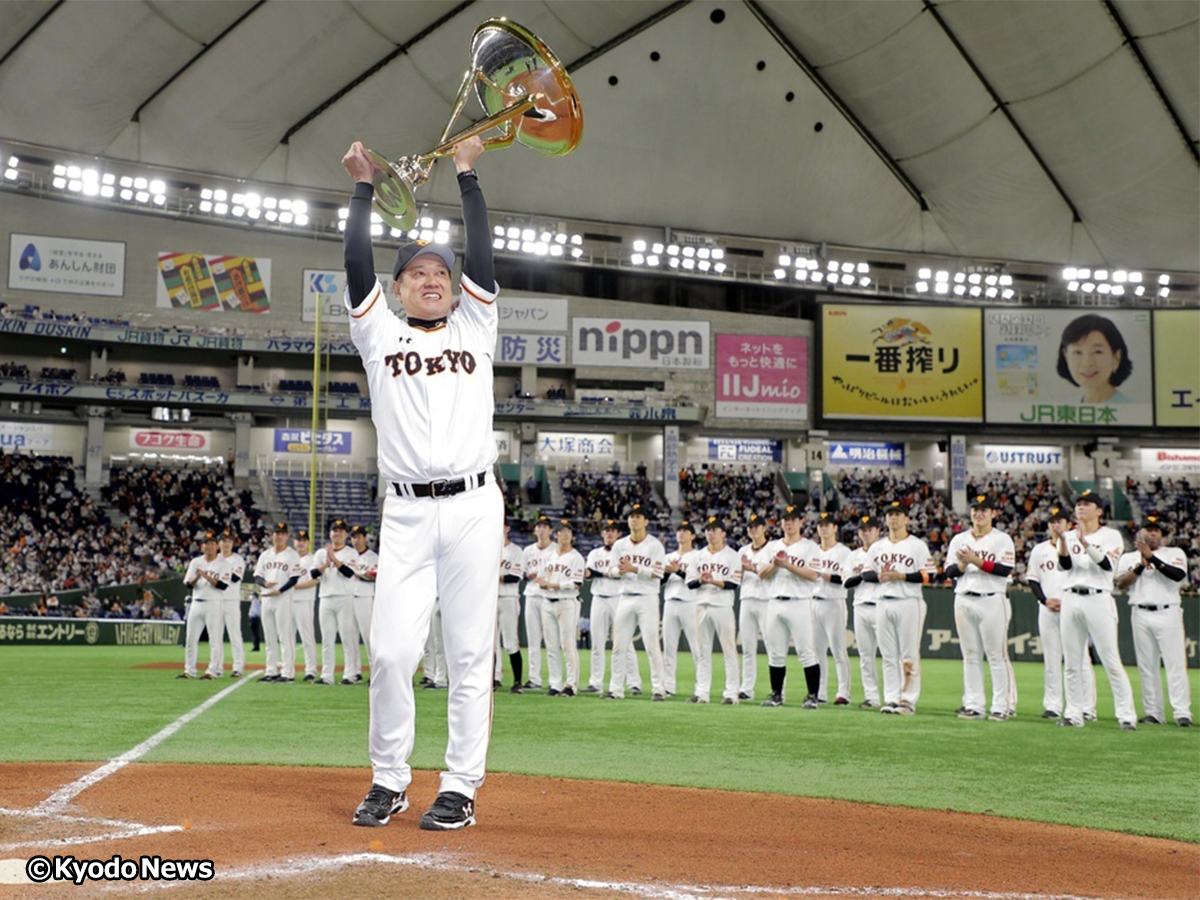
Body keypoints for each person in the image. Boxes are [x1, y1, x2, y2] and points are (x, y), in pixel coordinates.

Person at [342, 135, 502, 831]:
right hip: (405, 514)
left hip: (473, 506)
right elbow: (354, 267)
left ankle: (461, 786)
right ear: (398, 287)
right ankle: (389, 778)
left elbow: (485, 256)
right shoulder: (379, 335)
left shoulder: (477, 324)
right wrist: (359, 190)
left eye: (441, 271)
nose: (432, 278)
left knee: (468, 653)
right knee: (391, 652)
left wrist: (467, 176)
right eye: (418, 272)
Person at [1054, 490, 1137, 730]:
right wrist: (1062, 541)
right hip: (1070, 596)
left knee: (1111, 659)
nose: (1081, 507)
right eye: (1079, 504)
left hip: (1098, 597)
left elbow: (1106, 565)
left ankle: (1126, 716)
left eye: (1087, 504)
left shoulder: (1111, 536)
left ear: (1099, 511)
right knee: (1071, 661)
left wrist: (1085, 543)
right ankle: (1073, 713)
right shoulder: (1068, 535)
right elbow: (1065, 565)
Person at [944, 495, 1017, 721]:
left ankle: (1000, 706)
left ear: (993, 513)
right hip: (964, 597)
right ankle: (974, 704)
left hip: (992, 598)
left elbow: (1005, 570)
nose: (979, 513)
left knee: (996, 655)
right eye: (976, 509)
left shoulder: (1002, 539)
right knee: (970, 655)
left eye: (984, 510)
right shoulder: (959, 539)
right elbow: (949, 572)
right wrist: (963, 564)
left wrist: (975, 561)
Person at [1115, 515, 1192, 727]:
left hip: (1168, 611)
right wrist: (1140, 565)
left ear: (1162, 534)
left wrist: (1153, 559)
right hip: (1140, 611)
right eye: (1148, 529)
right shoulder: (1129, 557)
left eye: (1156, 530)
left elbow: (1177, 575)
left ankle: (1181, 712)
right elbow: (1121, 583)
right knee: (1146, 666)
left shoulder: (1174, 553)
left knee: (1175, 664)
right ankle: (1153, 712)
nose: (1152, 533)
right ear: (1139, 533)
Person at [1027, 507, 1096, 720]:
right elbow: (1033, 579)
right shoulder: (1039, 549)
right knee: (1052, 657)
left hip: (1073, 606)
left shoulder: (1078, 545)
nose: (1055, 525)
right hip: (1047, 609)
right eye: (1052, 521)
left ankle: (1087, 708)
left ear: (1069, 524)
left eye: (1060, 521)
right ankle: (1053, 705)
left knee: (1081, 658)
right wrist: (1044, 599)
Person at [865, 502, 933, 715]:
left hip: (909, 601)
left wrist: (901, 576)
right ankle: (892, 698)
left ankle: (908, 700)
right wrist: (880, 576)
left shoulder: (917, 545)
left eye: (897, 514)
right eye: (890, 514)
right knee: (887, 655)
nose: (893, 518)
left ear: (906, 519)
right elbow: (866, 573)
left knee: (908, 654)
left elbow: (928, 575)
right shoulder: (877, 547)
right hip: (883, 601)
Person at [758, 506, 821, 708]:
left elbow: (813, 575)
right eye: (786, 519)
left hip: (800, 602)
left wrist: (787, 566)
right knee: (775, 652)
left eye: (793, 519)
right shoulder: (772, 546)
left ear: (801, 523)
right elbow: (761, 573)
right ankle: (776, 695)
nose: (789, 523)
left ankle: (812, 696)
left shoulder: (810, 547)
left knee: (806, 651)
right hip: (775, 602)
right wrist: (776, 565)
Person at [607, 504, 667, 701]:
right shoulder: (619, 544)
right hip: (625, 597)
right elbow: (611, 571)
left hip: (647, 598)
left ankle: (659, 688)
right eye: (631, 516)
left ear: (646, 521)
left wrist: (634, 569)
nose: (634, 519)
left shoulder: (654, 545)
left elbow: (658, 573)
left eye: (638, 516)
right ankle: (615, 689)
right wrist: (620, 571)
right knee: (619, 646)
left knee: (651, 645)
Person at [689, 516, 742, 705]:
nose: (711, 533)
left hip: (723, 607)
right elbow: (690, 583)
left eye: (715, 529)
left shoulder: (732, 555)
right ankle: (702, 692)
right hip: (701, 605)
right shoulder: (698, 555)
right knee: (702, 652)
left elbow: (732, 584)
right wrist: (701, 581)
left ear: (723, 533)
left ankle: (731, 693)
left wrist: (712, 581)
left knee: (729, 650)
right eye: (708, 529)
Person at [585, 519, 641, 695]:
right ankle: (595, 682)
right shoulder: (594, 553)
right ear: (602, 534)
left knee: (625, 642)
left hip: (618, 598)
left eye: (613, 531)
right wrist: (606, 573)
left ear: (618, 534)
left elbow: (620, 574)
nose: (609, 533)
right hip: (598, 598)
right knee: (597, 642)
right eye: (606, 530)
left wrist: (600, 573)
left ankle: (634, 683)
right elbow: (588, 574)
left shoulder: (624, 552)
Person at [538, 520, 585, 697]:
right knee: (551, 646)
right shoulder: (548, 556)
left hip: (567, 602)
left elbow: (576, 583)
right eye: (561, 531)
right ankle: (555, 684)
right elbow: (542, 577)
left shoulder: (576, 557)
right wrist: (543, 584)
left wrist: (553, 584)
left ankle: (570, 685)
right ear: (555, 535)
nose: (565, 534)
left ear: (572, 536)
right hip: (547, 601)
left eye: (568, 532)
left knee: (568, 644)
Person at [812, 512, 853, 706]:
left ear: (835, 528)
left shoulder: (844, 552)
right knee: (817, 651)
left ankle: (843, 692)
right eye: (821, 524)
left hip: (834, 602)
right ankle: (820, 692)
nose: (823, 528)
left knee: (838, 650)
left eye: (828, 524)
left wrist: (827, 576)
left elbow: (847, 579)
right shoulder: (812, 550)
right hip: (813, 602)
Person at [313, 519, 360, 686]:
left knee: (347, 637)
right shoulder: (320, 553)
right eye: (335, 530)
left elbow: (349, 573)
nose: (337, 533)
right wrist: (326, 563)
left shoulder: (351, 553)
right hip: (325, 597)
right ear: (330, 533)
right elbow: (313, 574)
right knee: (327, 639)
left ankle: (350, 675)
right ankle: (327, 676)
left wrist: (334, 558)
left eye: (341, 531)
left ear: (346, 535)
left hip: (344, 597)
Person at [254, 522, 301, 683]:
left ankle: (288, 673)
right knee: (269, 637)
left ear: (287, 536)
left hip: (283, 598)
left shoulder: (292, 554)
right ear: (271, 535)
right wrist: (264, 584)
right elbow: (257, 576)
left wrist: (280, 590)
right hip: (266, 597)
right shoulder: (265, 555)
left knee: (285, 637)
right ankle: (271, 671)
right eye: (276, 533)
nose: (279, 536)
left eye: (282, 533)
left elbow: (294, 579)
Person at [843, 516, 882, 708]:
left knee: (892, 654)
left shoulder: (885, 550)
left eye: (870, 529)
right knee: (866, 655)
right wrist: (865, 574)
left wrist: (865, 575)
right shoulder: (853, 555)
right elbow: (847, 582)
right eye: (863, 530)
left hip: (882, 605)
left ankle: (898, 695)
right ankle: (872, 697)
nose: (866, 533)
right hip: (860, 605)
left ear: (878, 531)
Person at [1056, 313, 1135, 404]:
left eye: (1097, 352)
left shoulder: (1129, 408)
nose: (1087, 363)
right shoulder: (1068, 407)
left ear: (1116, 357)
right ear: (1066, 356)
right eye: (1078, 352)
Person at [661, 520, 701, 698]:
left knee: (697, 647)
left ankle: (701, 686)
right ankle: (668, 686)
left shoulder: (698, 556)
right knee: (668, 648)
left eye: (686, 531)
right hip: (670, 601)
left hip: (690, 602)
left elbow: (696, 581)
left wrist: (678, 571)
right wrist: (668, 572)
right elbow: (660, 582)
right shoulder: (668, 556)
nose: (681, 533)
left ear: (693, 536)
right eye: (679, 530)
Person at [736, 514, 772, 701]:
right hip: (747, 599)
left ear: (764, 529)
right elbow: (736, 578)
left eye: (757, 526)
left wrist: (749, 568)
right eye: (750, 526)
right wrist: (742, 569)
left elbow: (768, 574)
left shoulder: (773, 548)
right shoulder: (743, 550)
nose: (753, 530)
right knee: (747, 648)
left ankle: (778, 689)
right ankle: (746, 689)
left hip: (766, 600)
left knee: (772, 646)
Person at [179, 531, 224, 680]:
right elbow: (187, 584)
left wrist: (206, 576)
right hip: (196, 602)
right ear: (202, 546)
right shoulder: (195, 562)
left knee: (214, 640)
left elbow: (223, 585)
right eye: (206, 543)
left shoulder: (223, 563)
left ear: (217, 546)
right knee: (190, 639)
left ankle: (212, 670)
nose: (209, 546)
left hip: (214, 603)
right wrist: (197, 577)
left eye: (212, 543)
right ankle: (189, 670)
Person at [521, 516, 555, 691]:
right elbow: (521, 572)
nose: (541, 530)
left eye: (545, 527)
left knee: (551, 640)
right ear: (535, 531)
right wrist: (528, 576)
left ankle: (554, 681)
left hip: (548, 597)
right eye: (539, 527)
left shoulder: (556, 549)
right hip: (531, 595)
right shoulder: (527, 550)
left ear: (550, 531)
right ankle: (534, 679)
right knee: (533, 640)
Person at [213, 528, 248, 678]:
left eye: (229, 541)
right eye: (223, 541)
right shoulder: (213, 559)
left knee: (235, 634)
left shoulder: (237, 559)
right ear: (218, 543)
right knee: (216, 636)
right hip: (215, 600)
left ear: (232, 543)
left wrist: (216, 578)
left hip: (231, 601)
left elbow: (234, 578)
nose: (226, 543)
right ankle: (217, 667)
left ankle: (238, 667)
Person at [496, 523, 525, 692]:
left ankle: (517, 682)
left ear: (507, 528)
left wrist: (493, 576)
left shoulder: (516, 551)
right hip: (490, 600)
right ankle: (494, 678)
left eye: (503, 525)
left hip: (508, 598)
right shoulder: (487, 549)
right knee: (491, 643)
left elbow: (514, 577)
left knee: (510, 641)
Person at [349, 525, 378, 682]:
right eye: (354, 537)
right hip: (349, 597)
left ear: (365, 539)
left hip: (366, 597)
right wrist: (362, 574)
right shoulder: (349, 555)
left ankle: (375, 670)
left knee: (368, 636)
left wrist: (361, 574)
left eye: (359, 537)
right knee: (351, 636)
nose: (356, 540)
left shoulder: (373, 557)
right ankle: (355, 671)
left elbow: (375, 575)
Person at [292, 529, 320, 682]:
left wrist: (293, 586)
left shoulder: (312, 559)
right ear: (294, 542)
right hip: (287, 601)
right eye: (298, 540)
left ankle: (310, 670)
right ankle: (288, 669)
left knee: (306, 637)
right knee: (287, 637)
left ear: (308, 543)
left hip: (304, 600)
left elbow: (315, 580)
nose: (301, 543)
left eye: (304, 540)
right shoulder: (289, 558)